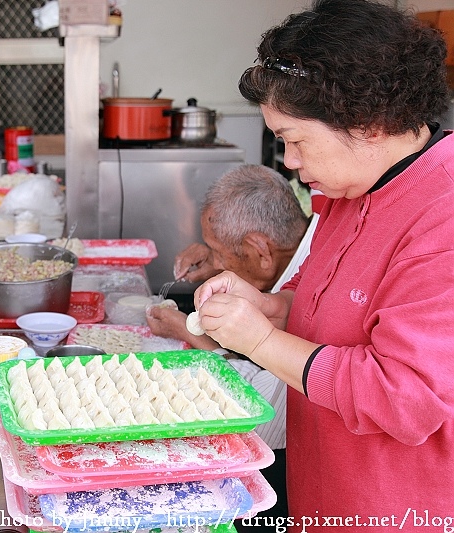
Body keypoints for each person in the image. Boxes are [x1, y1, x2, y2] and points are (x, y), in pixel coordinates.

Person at [192, 1, 454, 529]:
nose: (288, 161)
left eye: (293, 141)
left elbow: (406, 397)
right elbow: (328, 311)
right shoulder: (348, 190)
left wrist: (260, 343)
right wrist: (268, 307)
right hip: (321, 497)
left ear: (369, 124)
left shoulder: (441, 216)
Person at [147, 164, 317, 531]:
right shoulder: (305, 242)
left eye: (219, 251)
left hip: (288, 475)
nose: (290, 159)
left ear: (260, 249)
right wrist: (216, 264)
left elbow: (264, 423)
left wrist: (196, 338)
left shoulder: (314, 290)